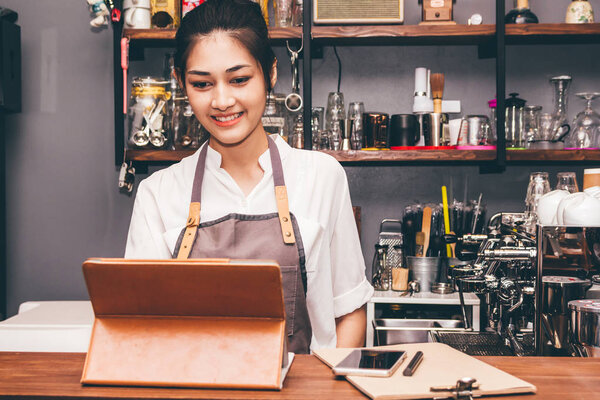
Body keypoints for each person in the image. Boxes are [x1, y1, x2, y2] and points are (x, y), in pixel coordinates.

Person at [124, 0, 373, 352]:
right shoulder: (158, 193)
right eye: (202, 84)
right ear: (181, 82)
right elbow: (140, 329)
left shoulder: (321, 177)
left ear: (270, 73)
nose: (222, 100)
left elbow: (349, 312)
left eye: (239, 79)